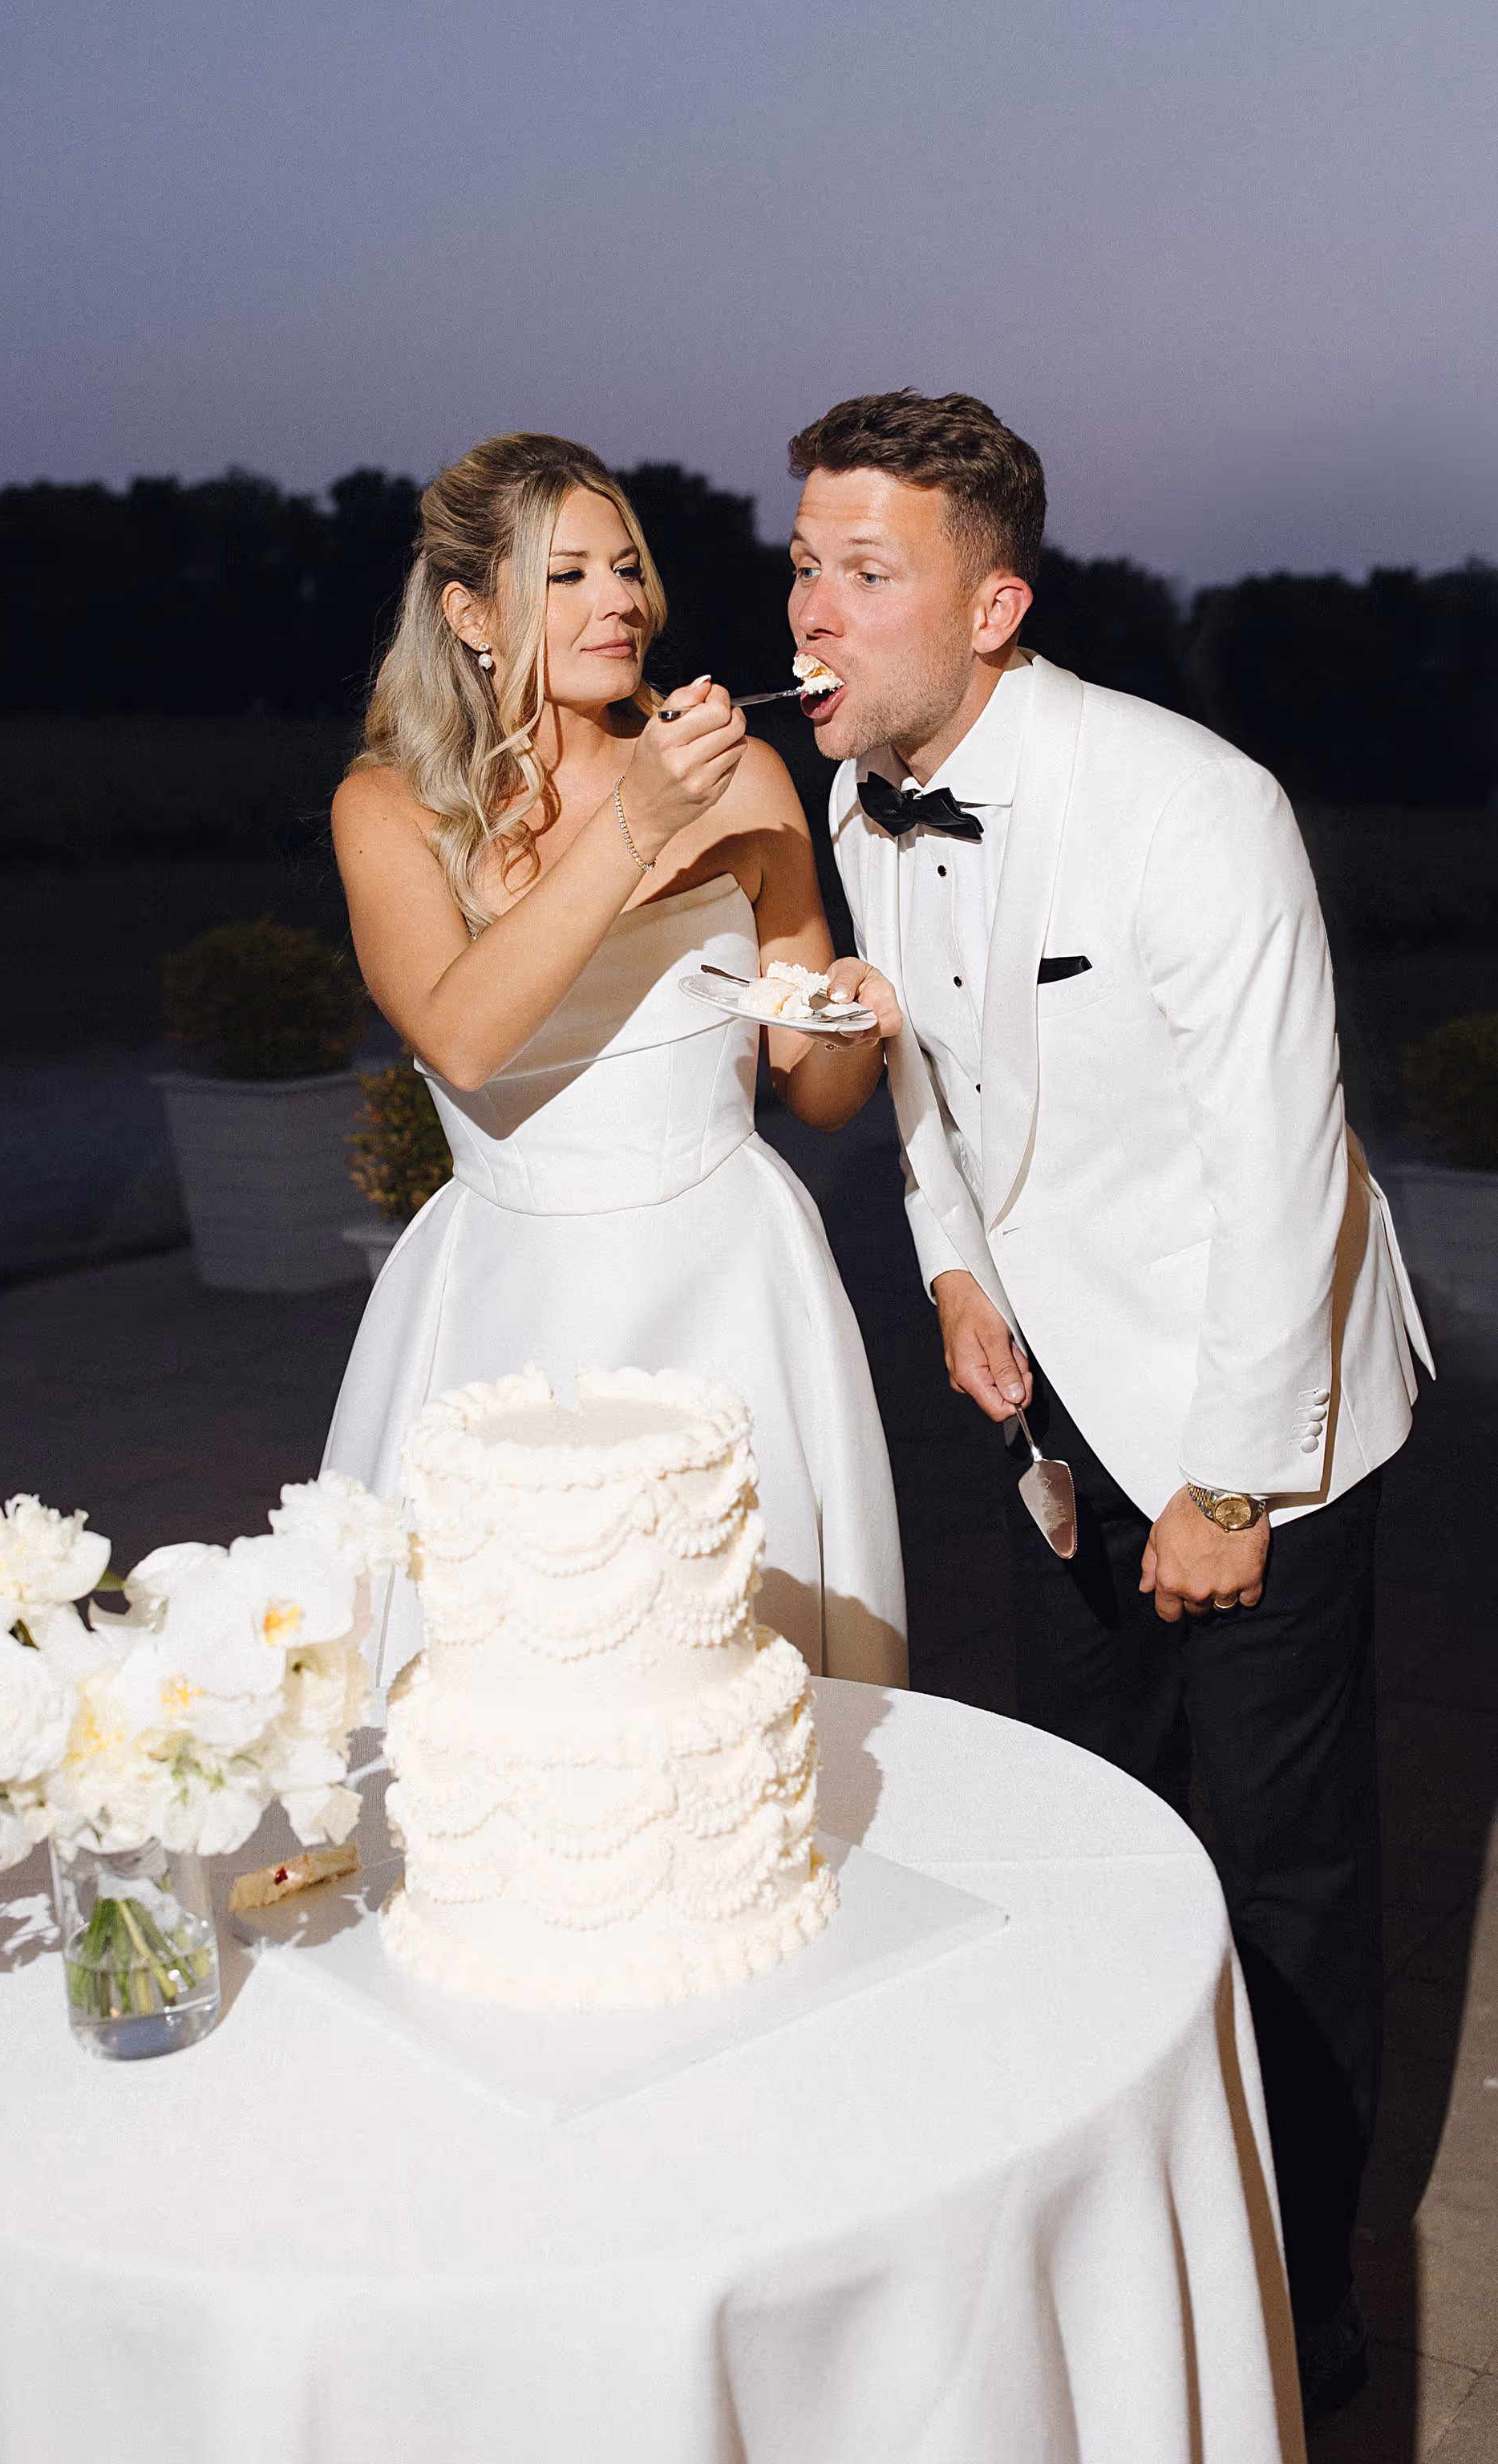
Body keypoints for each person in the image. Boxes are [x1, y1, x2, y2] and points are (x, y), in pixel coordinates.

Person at [792, 388, 1431, 2425]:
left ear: (993, 609)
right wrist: (952, 1266)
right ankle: (1093, 2248)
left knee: (1283, 1875)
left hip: (1259, 1408)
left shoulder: (1190, 802)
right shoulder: (857, 798)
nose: (810, 610)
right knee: (1082, 1824)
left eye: (863, 572)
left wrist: (1228, 1485)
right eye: (803, 564)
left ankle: (1303, 2305)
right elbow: (921, 1080)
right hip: (1050, 1408)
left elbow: (1281, 1168)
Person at [322, 431, 906, 1688]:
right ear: (473, 615)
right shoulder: (390, 808)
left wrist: (860, 1018)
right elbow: (463, 1038)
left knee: (733, 1675)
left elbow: (817, 1091)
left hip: (733, 1282)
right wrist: (640, 818)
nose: (621, 601)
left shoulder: (745, 777)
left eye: (628, 567)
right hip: (511, 1298)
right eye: (570, 574)